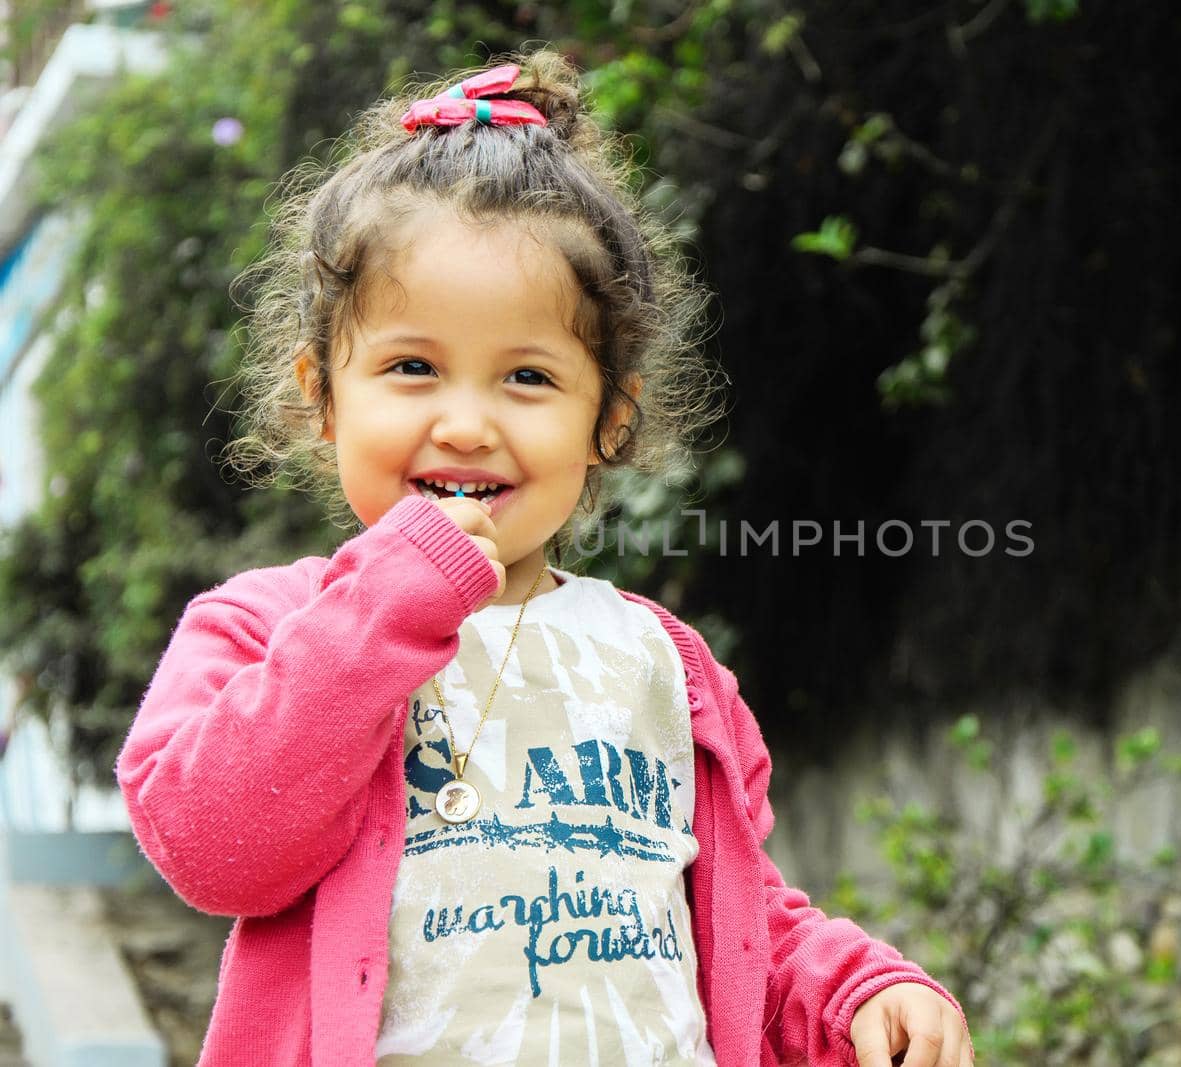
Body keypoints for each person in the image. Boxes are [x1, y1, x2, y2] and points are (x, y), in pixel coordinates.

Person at [115, 47, 973, 1067]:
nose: (467, 423)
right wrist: (394, 595)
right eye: (411, 367)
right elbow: (213, 846)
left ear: (607, 418)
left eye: (526, 375)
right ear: (322, 392)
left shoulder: (669, 663)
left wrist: (849, 991)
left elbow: (735, 918)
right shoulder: (267, 626)